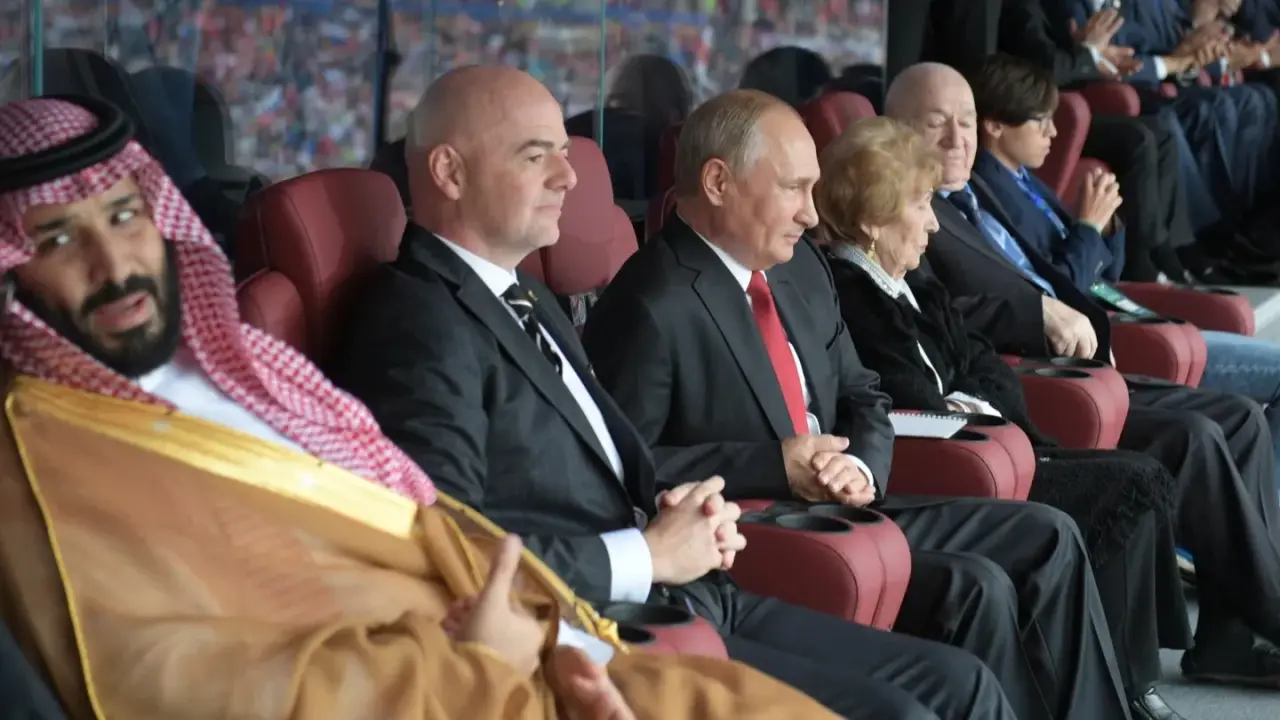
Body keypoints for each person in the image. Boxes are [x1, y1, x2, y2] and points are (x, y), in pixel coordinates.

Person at [0, 95, 844, 720]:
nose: (115, 263)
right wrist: (486, 661)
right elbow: (209, 676)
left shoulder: (240, 364)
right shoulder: (49, 469)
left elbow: (416, 525)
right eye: (58, 238)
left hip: (545, 634)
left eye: (125, 216)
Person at [333, 66, 1018, 720]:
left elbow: (612, 459)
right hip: (599, 623)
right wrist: (649, 552)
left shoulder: (528, 299)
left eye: (564, 154)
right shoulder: (418, 321)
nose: (569, 176)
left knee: (961, 684)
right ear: (450, 172)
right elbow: (448, 543)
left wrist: (683, 509)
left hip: (694, 585)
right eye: (537, 156)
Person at [580, 87, 1131, 720]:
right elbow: (626, 470)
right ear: (718, 182)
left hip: (850, 497)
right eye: (794, 189)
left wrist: (862, 465)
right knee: (976, 586)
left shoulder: (800, 269)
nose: (811, 214)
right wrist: (774, 464)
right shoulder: (649, 302)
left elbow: (863, 392)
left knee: (1048, 534)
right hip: (761, 525)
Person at [886, 61, 1280, 687]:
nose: (958, 139)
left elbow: (1057, 272)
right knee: (1199, 436)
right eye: (937, 124)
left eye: (966, 121)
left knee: (1236, 419)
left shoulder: (974, 191)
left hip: (1084, 355)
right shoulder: (904, 213)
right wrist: (1042, 309)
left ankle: (1231, 632)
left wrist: (1092, 243)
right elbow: (948, 314)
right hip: (1034, 379)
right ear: (895, 132)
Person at [816, 115, 1190, 718]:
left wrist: (977, 402)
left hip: (1002, 446)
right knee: (1130, 482)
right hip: (956, 467)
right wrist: (974, 408)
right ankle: (1124, 687)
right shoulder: (851, 295)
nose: (934, 222)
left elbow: (986, 366)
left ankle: (1131, 681)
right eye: (921, 205)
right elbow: (909, 398)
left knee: (1138, 475)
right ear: (871, 221)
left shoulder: (913, 281)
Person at [966, 52, 1280, 467]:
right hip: (1099, 339)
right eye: (1040, 121)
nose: (1053, 132)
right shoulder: (988, 196)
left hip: (1126, 314)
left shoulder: (1024, 180)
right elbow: (1055, 292)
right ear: (995, 125)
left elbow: (1107, 273)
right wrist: (1087, 228)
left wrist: (1107, 225)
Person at [996, 0, 1223, 283]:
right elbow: (1049, 66)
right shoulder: (1028, 7)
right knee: (1138, 138)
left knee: (1160, 132)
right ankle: (1141, 260)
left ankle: (1164, 247)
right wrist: (1087, 53)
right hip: (1047, 110)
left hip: (1076, 99)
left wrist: (1094, 55)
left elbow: (1114, 51)